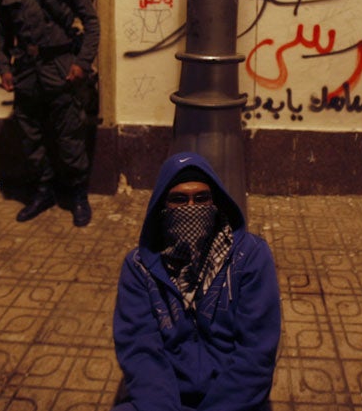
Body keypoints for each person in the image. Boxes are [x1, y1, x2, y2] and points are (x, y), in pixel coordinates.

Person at [112, 152, 281, 411]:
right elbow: (140, 351)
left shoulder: (250, 257)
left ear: (216, 203)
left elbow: (256, 352)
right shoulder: (139, 268)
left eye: (201, 198)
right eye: (179, 200)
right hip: (167, 395)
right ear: (162, 207)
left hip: (233, 398)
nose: (192, 208)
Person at [0, 0, 100, 226]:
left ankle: (78, 194)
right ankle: (43, 191)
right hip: (26, 70)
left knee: (69, 135)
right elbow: (2, 31)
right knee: (30, 136)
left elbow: (91, 22)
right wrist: (4, 67)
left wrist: (82, 63)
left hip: (60, 66)